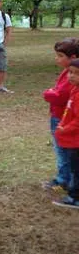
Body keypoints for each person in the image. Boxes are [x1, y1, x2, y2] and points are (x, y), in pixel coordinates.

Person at [42, 39, 79, 194]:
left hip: (63, 118)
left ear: (73, 57)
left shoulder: (73, 75)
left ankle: (64, 180)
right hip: (61, 116)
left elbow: (59, 94)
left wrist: (48, 93)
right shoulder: (68, 72)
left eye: (60, 55)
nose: (57, 58)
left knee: (63, 151)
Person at [52, 58, 79, 210]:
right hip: (72, 140)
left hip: (76, 141)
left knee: (76, 171)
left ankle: (75, 198)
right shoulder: (75, 90)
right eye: (70, 72)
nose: (71, 76)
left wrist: (65, 128)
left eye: (77, 74)